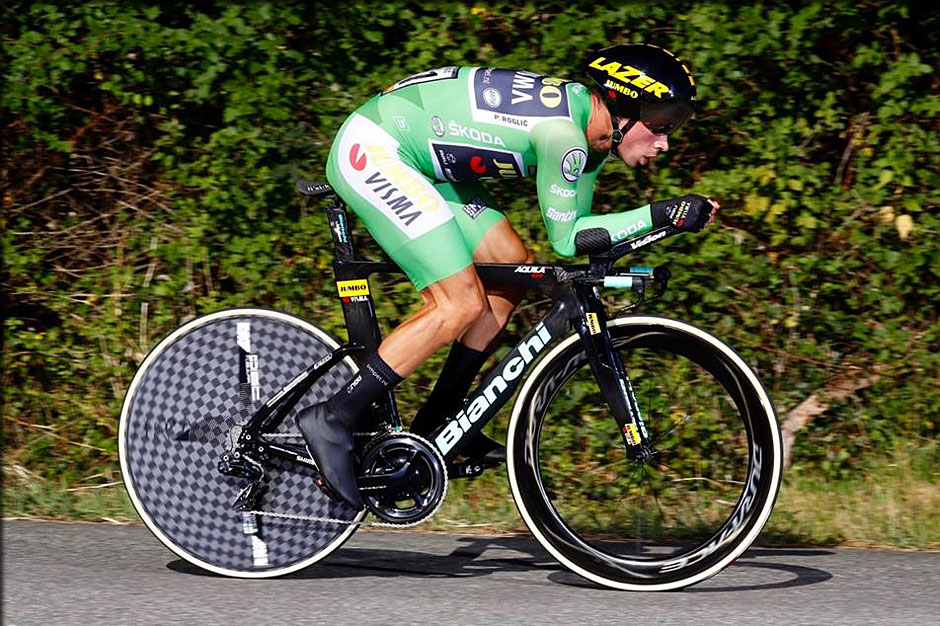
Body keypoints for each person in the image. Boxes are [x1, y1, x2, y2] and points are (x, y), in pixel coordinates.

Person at [298, 43, 720, 509]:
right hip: (377, 149)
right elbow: (570, 240)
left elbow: (580, 233)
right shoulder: (566, 135)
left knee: (512, 272)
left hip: (426, 160)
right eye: (660, 126)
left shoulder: (592, 136)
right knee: (458, 303)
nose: (664, 144)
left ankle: (441, 423)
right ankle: (334, 416)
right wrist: (661, 213)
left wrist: (660, 220)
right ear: (623, 107)